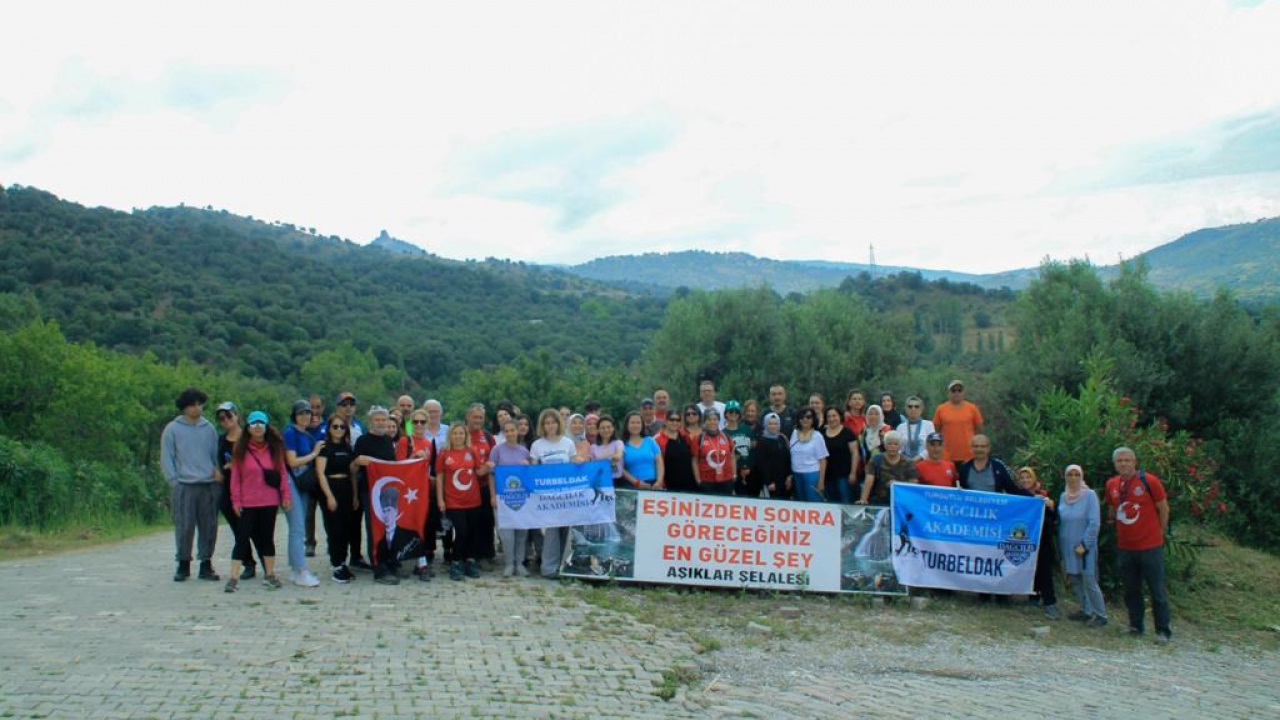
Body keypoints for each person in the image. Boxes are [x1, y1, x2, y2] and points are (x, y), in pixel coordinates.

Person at [1105, 447, 1172, 643]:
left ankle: (1163, 630)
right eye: (1119, 461)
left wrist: (1160, 533)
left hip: (1150, 546)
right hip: (1126, 547)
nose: (1124, 464)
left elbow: (1163, 508)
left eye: (1127, 460)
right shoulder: (1112, 484)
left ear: (1135, 462)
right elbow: (1112, 509)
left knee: (1156, 590)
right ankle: (1136, 625)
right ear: (1115, 464)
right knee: (1131, 589)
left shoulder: (1149, 481)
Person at [224, 410, 290, 593]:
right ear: (248, 427)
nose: (258, 426)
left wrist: (286, 496)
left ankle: (269, 574)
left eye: (261, 422)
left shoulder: (275, 449)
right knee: (242, 538)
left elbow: (282, 474)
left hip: (269, 501)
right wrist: (235, 501)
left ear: (267, 426)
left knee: (267, 538)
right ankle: (233, 578)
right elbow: (235, 478)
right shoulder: (241, 450)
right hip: (248, 502)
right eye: (254, 423)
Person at [161, 387, 222, 583]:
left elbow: (215, 456)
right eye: (192, 405)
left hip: (207, 484)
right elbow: (167, 457)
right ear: (184, 408)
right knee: (184, 526)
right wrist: (174, 481)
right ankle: (183, 564)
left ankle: (206, 563)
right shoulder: (173, 429)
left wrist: (217, 473)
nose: (197, 409)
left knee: (209, 526)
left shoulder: (209, 428)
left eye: (199, 404)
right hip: (185, 484)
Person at [530, 408, 585, 578]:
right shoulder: (537, 445)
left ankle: (565, 567)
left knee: (566, 531)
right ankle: (548, 568)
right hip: (547, 496)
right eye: (547, 423)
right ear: (542, 425)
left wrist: (581, 462)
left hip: (567, 494)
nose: (550, 425)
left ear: (558, 423)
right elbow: (533, 468)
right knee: (552, 531)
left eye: (553, 422)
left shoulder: (567, 443)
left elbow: (574, 461)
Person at [351, 407, 398, 580]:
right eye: (377, 420)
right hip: (369, 490)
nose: (380, 423)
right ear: (370, 421)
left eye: (383, 420)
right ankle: (378, 566)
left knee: (389, 525)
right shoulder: (362, 441)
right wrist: (357, 461)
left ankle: (389, 560)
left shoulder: (388, 440)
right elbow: (353, 468)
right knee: (374, 528)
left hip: (388, 490)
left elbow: (394, 465)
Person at [1058, 464, 1108, 628]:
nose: (1073, 478)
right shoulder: (1063, 496)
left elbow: (1094, 523)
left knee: (1089, 579)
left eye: (1076, 475)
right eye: (1070, 475)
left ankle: (1100, 614)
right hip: (1067, 545)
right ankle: (1086, 610)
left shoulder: (1089, 495)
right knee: (1074, 578)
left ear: (1081, 477)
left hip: (1084, 547)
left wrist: (1085, 544)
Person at [215, 402, 260, 580]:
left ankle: (266, 560)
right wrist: (218, 470)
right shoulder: (220, 440)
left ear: (237, 415)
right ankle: (248, 563)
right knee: (238, 530)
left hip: (249, 488)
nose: (226, 420)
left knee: (255, 529)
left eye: (228, 415)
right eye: (221, 418)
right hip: (227, 488)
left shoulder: (249, 438)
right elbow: (214, 459)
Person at [283, 400, 324, 586]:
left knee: (297, 527)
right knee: (298, 527)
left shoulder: (307, 435)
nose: (305, 416)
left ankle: (295, 567)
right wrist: (314, 453)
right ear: (294, 415)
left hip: (303, 485)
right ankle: (300, 570)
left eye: (308, 413)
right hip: (291, 481)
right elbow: (291, 461)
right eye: (301, 413)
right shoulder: (290, 433)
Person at [437, 425, 485, 581]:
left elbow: (478, 471)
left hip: (473, 499)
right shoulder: (444, 453)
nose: (458, 436)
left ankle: (470, 561)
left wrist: (490, 467)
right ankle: (456, 561)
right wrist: (440, 499)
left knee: (472, 532)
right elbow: (439, 477)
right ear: (450, 436)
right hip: (453, 501)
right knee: (461, 532)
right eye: (455, 433)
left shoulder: (472, 451)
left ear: (465, 435)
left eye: (461, 433)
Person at [316, 411, 358, 584]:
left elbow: (353, 473)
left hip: (347, 487)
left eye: (342, 427)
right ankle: (336, 564)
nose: (339, 429)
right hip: (331, 487)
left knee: (348, 528)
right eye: (335, 427)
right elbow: (320, 473)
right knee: (335, 528)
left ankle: (343, 561)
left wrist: (355, 495)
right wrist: (329, 496)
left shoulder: (348, 447)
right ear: (329, 429)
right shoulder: (324, 447)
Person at [1016, 467, 1061, 620]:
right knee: (1031, 569)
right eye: (1022, 478)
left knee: (1044, 571)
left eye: (1028, 477)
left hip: (1043, 540)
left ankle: (1050, 603)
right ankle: (1034, 598)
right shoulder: (1016, 497)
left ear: (1034, 479)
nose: (1025, 480)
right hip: (1024, 539)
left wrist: (1051, 506)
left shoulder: (1043, 496)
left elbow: (1053, 518)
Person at [488, 418, 531, 576]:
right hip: (502, 498)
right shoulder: (496, 450)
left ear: (518, 431)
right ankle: (508, 563)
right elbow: (491, 476)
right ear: (503, 433)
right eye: (506, 431)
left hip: (522, 499)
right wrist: (493, 496)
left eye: (512, 430)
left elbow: (531, 476)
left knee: (521, 532)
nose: (510, 433)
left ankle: (519, 563)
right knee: (506, 534)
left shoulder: (524, 451)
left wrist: (529, 467)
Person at [404, 409, 437, 581]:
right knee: (413, 524)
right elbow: (397, 466)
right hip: (408, 490)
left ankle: (421, 562)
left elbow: (430, 467)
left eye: (422, 422)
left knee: (423, 525)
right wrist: (412, 457)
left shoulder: (428, 442)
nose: (418, 425)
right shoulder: (405, 441)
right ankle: (420, 562)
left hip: (423, 489)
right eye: (415, 422)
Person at [465, 404, 498, 569]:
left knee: (486, 521)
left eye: (481, 417)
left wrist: (487, 468)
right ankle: (469, 555)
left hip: (485, 485)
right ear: (468, 417)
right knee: (469, 522)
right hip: (465, 486)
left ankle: (486, 555)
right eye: (475, 417)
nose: (478, 420)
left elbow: (494, 457)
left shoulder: (487, 436)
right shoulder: (460, 434)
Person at [931, 380, 984, 464]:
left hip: (969, 456)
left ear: (963, 392)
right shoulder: (941, 409)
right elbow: (936, 431)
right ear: (949, 393)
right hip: (946, 456)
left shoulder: (972, 408)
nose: (956, 393)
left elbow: (979, 430)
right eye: (953, 390)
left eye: (959, 390)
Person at [860, 431, 919, 504]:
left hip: (901, 501)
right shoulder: (875, 459)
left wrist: (897, 484)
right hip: (878, 500)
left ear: (900, 446)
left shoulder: (908, 462)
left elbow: (914, 483)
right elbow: (869, 480)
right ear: (885, 445)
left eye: (895, 444)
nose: (892, 446)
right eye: (889, 444)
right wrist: (863, 499)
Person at [304, 394, 328, 556]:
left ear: (323, 408)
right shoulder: (301, 427)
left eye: (317, 407)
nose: (314, 411)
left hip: (326, 474)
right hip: (308, 474)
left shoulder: (329, 426)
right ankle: (310, 542)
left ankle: (331, 541)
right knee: (309, 511)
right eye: (311, 407)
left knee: (328, 510)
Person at [788, 408, 828, 502]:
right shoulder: (794, 433)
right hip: (796, 473)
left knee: (813, 502)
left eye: (808, 417)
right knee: (800, 503)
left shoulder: (817, 436)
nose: (805, 419)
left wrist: (821, 481)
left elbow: (823, 460)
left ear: (813, 419)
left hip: (812, 474)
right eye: (802, 417)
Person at [822, 407, 859, 504]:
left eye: (834, 416)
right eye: (829, 416)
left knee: (845, 502)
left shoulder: (847, 432)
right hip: (828, 476)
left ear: (840, 417)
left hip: (844, 475)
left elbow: (855, 453)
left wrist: (853, 473)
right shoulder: (822, 433)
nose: (831, 419)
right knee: (831, 504)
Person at [693, 410, 735, 495]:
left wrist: (734, 475)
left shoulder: (726, 437)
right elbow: (694, 461)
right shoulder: (699, 438)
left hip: (726, 480)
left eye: (715, 419)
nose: (712, 422)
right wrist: (698, 480)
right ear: (705, 422)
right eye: (709, 419)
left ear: (719, 421)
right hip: (707, 481)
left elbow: (732, 457)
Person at [620, 412, 664, 489]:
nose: (635, 425)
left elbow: (659, 462)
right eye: (632, 423)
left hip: (654, 486)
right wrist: (637, 482)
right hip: (633, 486)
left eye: (638, 423)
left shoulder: (650, 441)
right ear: (627, 425)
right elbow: (620, 468)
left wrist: (659, 481)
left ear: (642, 425)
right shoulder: (621, 445)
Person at [657, 410, 697, 493]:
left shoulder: (686, 436)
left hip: (690, 485)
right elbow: (657, 464)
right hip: (669, 486)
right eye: (672, 419)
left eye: (678, 420)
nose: (675, 422)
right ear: (665, 421)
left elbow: (694, 458)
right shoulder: (657, 439)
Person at [754, 413, 791, 499]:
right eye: (770, 424)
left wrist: (789, 476)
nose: (773, 426)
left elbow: (787, 458)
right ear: (765, 424)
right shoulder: (762, 441)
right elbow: (761, 463)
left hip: (784, 481)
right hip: (771, 483)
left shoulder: (781, 439)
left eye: (775, 423)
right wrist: (769, 482)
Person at [724, 402, 755, 496]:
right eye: (731, 411)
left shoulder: (746, 429)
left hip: (750, 470)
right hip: (734, 473)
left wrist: (749, 466)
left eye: (736, 412)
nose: (733, 414)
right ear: (726, 414)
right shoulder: (723, 433)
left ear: (739, 415)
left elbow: (753, 449)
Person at [591, 415, 626, 488]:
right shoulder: (593, 447)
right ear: (598, 430)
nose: (606, 430)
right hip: (600, 481)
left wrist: (604, 458)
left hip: (617, 480)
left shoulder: (618, 443)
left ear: (613, 428)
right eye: (602, 428)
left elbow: (618, 456)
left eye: (609, 427)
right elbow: (592, 465)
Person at [896, 396, 935, 461]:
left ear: (921, 409)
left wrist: (917, 458)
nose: (913, 409)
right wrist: (906, 459)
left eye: (916, 406)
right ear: (906, 409)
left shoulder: (929, 425)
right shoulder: (900, 427)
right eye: (910, 406)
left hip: (924, 462)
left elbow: (932, 446)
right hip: (904, 463)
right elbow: (897, 448)